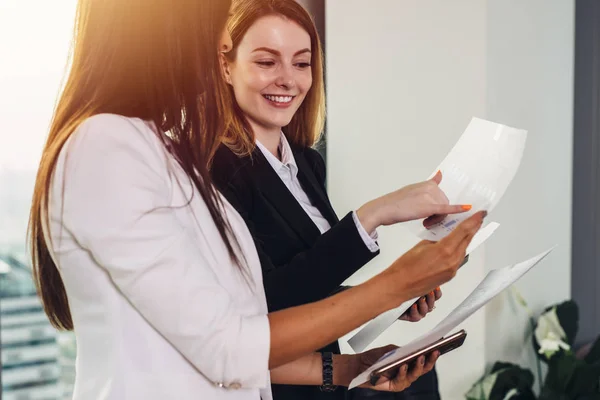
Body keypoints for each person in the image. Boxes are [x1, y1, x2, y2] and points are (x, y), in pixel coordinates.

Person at [27, 0, 484, 399]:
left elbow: (231, 326)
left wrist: (348, 369)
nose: (222, 39)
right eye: (215, 21)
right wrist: (394, 285)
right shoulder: (108, 146)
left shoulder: (167, 155)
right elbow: (230, 345)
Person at [211, 1, 468, 399]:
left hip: (324, 382)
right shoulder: (216, 170)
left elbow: (312, 286)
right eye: (267, 62)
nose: (288, 80)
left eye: (301, 63)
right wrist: (373, 215)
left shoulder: (305, 163)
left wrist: (392, 296)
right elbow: (266, 304)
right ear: (226, 66)